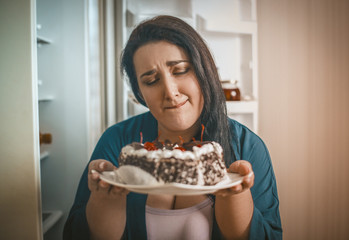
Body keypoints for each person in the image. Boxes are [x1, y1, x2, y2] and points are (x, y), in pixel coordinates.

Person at [63, 15, 282, 240]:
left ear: (203, 70)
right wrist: (104, 199)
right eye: (151, 81)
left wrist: (235, 197)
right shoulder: (116, 141)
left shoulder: (247, 146)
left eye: (180, 71)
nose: (169, 91)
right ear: (139, 93)